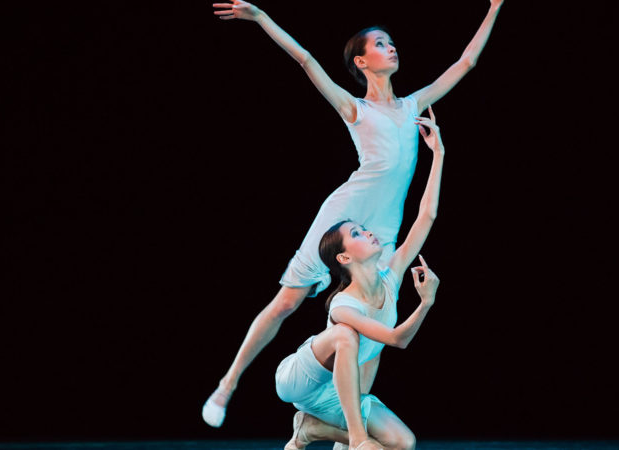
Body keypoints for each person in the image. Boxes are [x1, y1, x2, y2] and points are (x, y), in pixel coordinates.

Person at [203, 0, 504, 430]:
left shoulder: (413, 104)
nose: (391, 47)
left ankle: (352, 430)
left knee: (377, 323)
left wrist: (493, 7)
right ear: (362, 62)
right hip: (342, 217)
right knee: (287, 301)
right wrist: (262, 18)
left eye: (392, 42)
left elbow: (468, 61)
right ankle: (228, 384)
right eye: (380, 44)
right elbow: (306, 60)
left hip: (381, 229)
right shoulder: (355, 109)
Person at [275, 109, 443, 450]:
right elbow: (397, 339)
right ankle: (355, 436)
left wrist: (438, 153)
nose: (368, 232)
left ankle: (313, 430)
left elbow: (426, 216)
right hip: (300, 382)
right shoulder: (342, 304)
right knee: (345, 336)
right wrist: (426, 302)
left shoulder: (389, 278)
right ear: (344, 257)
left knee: (403, 443)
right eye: (357, 233)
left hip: (339, 394)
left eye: (364, 229)